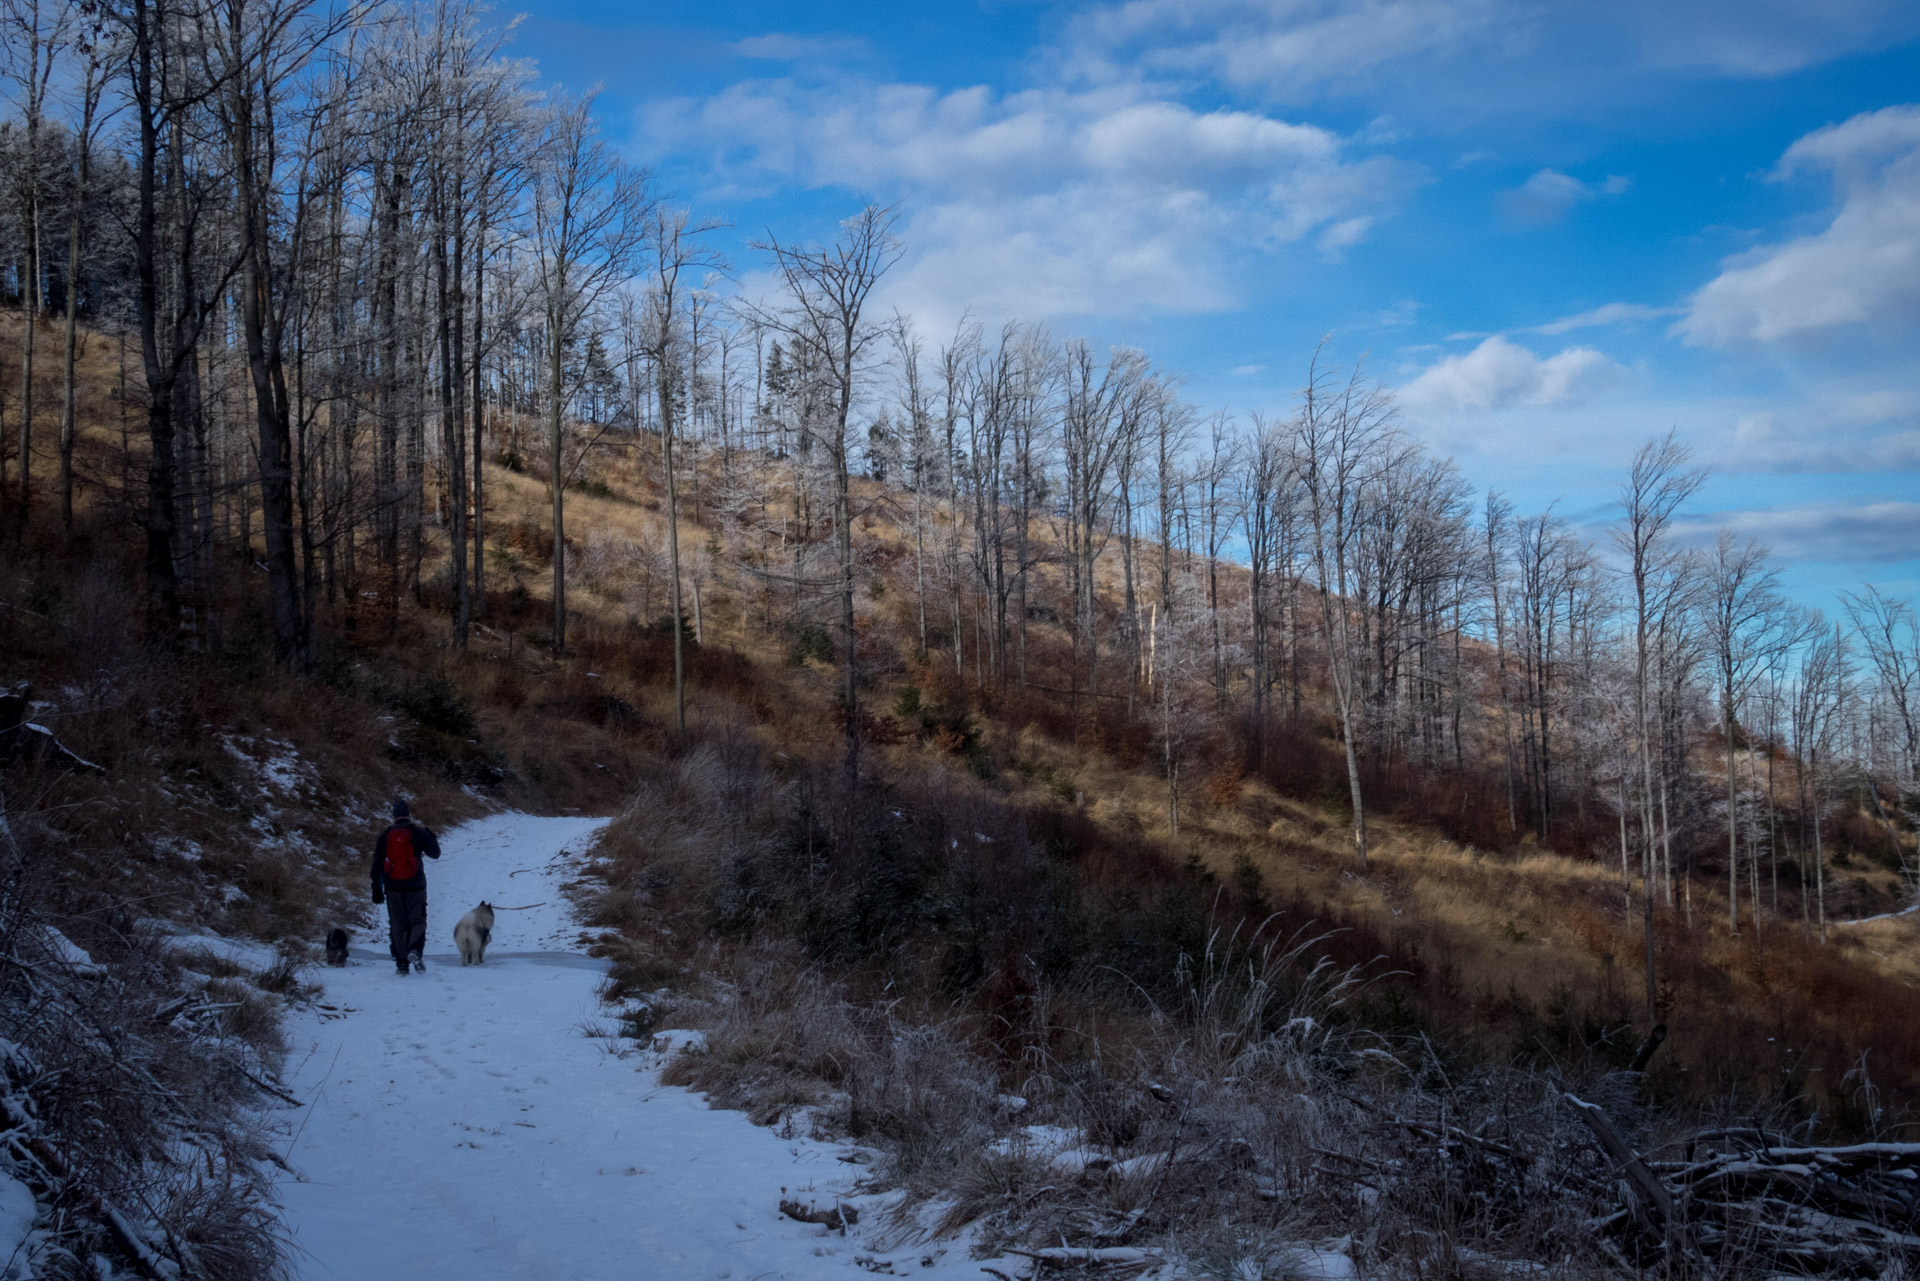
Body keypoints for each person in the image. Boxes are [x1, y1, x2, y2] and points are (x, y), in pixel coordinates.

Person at [371, 799, 441, 975]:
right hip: (416, 886)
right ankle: (415, 950)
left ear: (393, 815)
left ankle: (402, 964)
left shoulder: (386, 835)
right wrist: (429, 834)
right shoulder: (417, 832)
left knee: (397, 924)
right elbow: (435, 853)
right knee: (417, 920)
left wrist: (376, 888)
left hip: (393, 887)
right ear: (408, 814)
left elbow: (377, 864)